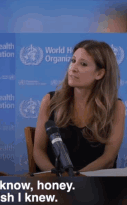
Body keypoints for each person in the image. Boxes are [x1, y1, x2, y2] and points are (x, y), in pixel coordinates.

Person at [33, 40, 125, 173]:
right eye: (73, 60)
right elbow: (38, 151)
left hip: (96, 185)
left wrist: (78, 179)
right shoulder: (50, 101)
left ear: (99, 74)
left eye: (83, 64)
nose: (73, 68)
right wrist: (58, 177)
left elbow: (108, 159)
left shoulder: (117, 107)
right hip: (56, 183)